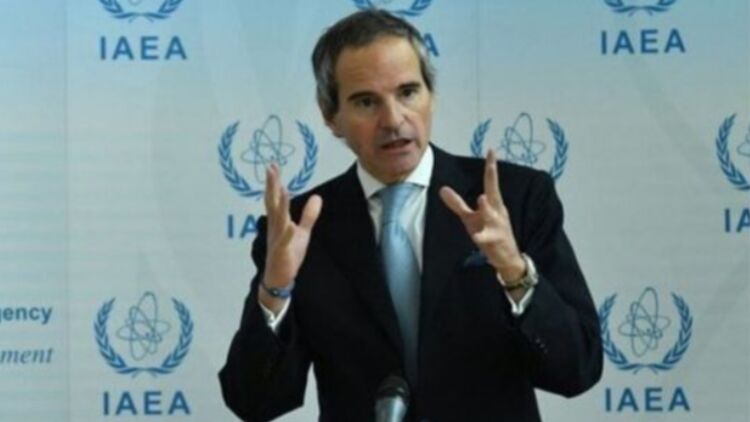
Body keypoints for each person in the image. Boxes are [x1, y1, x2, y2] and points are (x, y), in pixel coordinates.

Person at [219, 9, 602, 422]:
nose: (393, 119)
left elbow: (577, 369)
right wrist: (275, 291)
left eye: (407, 92)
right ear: (331, 117)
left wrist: (514, 271)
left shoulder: (515, 198)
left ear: (431, 95)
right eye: (366, 102)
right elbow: (253, 402)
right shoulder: (301, 227)